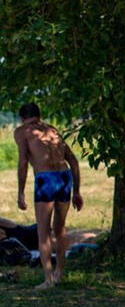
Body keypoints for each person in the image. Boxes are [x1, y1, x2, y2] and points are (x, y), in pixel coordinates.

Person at [14, 102, 83, 289]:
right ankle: (59, 274)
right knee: (60, 229)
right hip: (64, 177)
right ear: (40, 114)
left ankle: (48, 280)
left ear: (22, 118)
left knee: (43, 231)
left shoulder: (22, 132)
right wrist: (76, 191)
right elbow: (74, 162)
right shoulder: (53, 131)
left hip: (45, 179)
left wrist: (20, 192)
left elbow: (23, 163)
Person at [0, 217, 97, 251]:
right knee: (72, 238)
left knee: (71, 241)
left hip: (35, 238)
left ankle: (100, 240)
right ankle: (99, 238)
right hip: (34, 235)